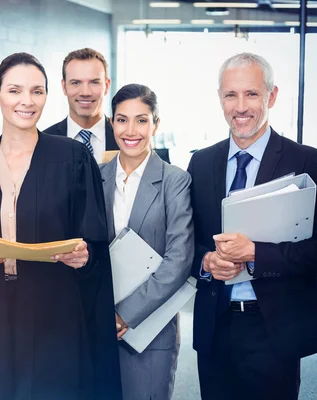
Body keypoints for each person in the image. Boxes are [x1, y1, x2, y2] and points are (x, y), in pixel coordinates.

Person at [0, 52, 122, 400]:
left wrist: (84, 256)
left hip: (53, 311)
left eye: (37, 92)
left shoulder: (72, 158)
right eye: (14, 90)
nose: (27, 101)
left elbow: (95, 242)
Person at [188, 52, 317, 400]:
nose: (240, 107)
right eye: (231, 95)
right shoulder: (201, 161)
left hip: (274, 328)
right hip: (215, 326)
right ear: (220, 98)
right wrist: (207, 262)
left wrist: (256, 253)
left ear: (271, 96)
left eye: (251, 94)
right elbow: (189, 242)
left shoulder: (302, 160)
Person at [100, 84, 193, 400]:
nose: (131, 131)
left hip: (151, 328)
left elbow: (179, 259)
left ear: (156, 124)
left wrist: (125, 313)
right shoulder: (95, 176)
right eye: (122, 120)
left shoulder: (174, 180)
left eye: (141, 120)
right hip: (98, 324)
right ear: (112, 123)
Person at [44, 48, 118, 163]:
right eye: (76, 83)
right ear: (64, 87)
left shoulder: (125, 137)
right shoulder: (44, 143)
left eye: (94, 82)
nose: (85, 92)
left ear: (107, 86)